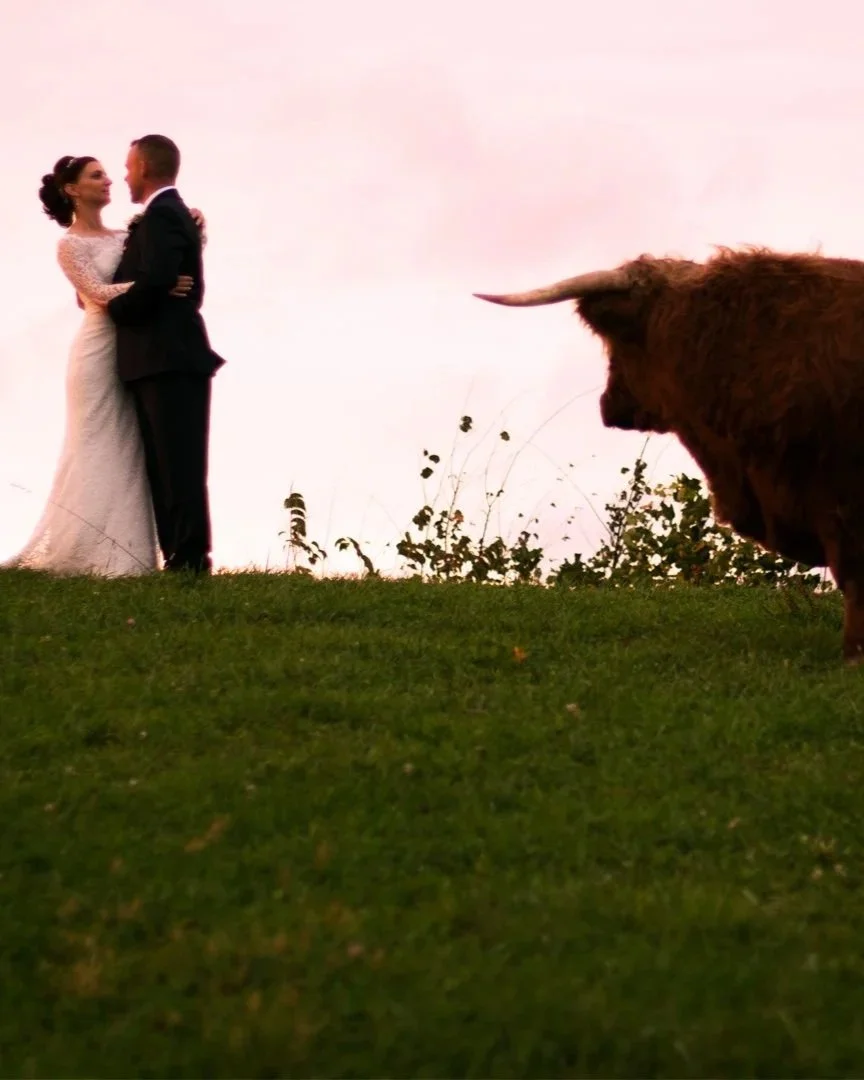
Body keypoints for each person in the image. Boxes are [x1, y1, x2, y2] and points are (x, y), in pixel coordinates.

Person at [2, 154, 203, 578]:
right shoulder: (69, 245)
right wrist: (157, 285)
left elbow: (163, 257)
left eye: (109, 174)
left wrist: (193, 230)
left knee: (133, 446)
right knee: (97, 442)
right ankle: (87, 552)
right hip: (97, 350)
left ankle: (129, 554)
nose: (108, 180)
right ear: (73, 189)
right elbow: (92, 293)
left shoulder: (129, 233)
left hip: (136, 347)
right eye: (96, 175)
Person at [105, 134, 226, 576]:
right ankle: (179, 555)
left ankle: (191, 559)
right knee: (164, 464)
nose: (123, 175)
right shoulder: (164, 217)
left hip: (170, 357)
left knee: (179, 463)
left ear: (144, 168)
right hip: (156, 358)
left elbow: (158, 280)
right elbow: (163, 282)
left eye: (127, 166)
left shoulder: (163, 216)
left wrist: (114, 307)